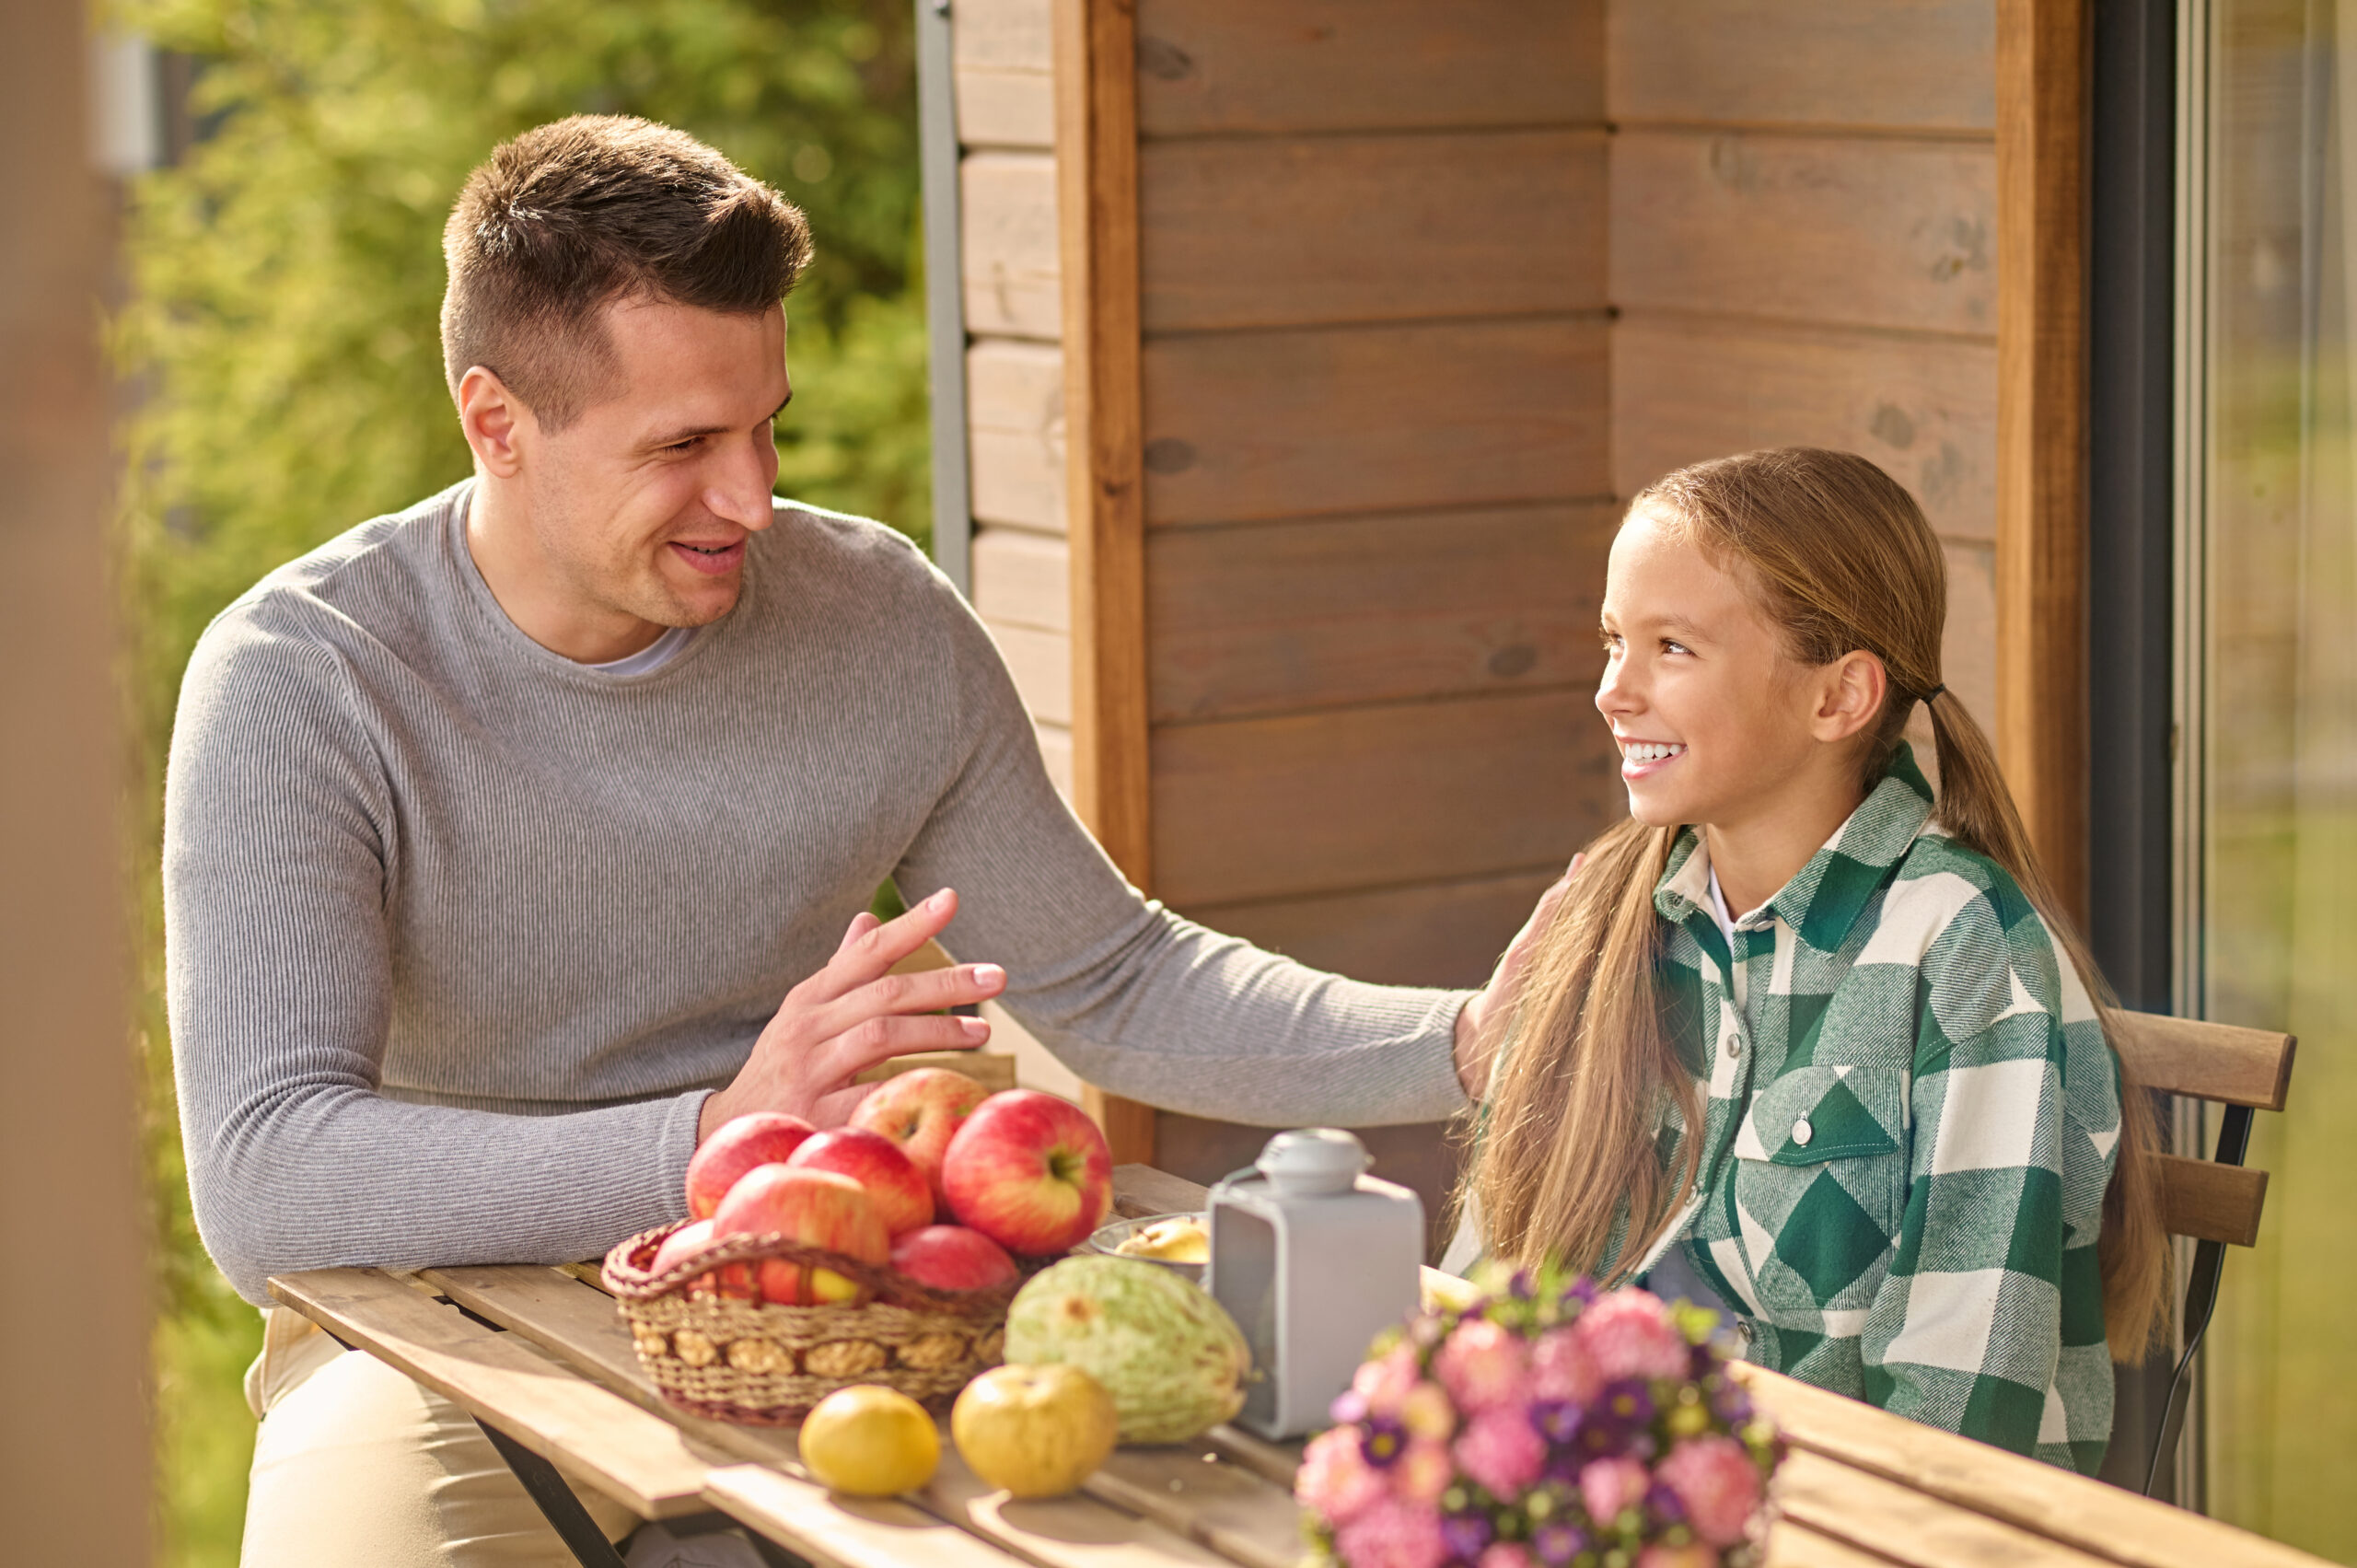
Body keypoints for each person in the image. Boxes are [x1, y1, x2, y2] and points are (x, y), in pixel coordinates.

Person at [164, 117, 1530, 1566]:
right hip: (432, 1334)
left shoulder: (878, 619)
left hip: (845, 1295)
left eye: (766, 425)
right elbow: (269, 1173)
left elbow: (1112, 977)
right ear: (496, 421)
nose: (752, 499)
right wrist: (715, 1137)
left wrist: (1467, 1043)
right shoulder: (306, 678)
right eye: (683, 446)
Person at [1450, 447, 2170, 1474]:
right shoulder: (1606, 922)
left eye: (1672, 647)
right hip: (1613, 1508)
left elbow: (1959, 1409)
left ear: (1838, 697)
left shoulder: (1961, 947)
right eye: (1613, 640)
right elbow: (1487, 1298)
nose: (1613, 691)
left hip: (1872, 1521)